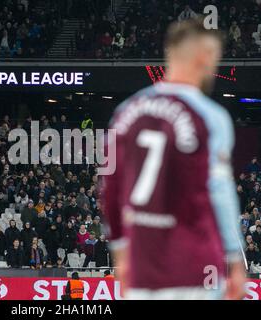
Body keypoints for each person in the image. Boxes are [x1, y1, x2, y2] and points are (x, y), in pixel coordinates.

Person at [102, 18, 246, 300]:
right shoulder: (209, 116)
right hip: (195, 265)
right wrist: (234, 259)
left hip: (143, 269)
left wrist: (121, 255)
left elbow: (110, 192)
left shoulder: (125, 112)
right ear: (206, 57)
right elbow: (219, 191)